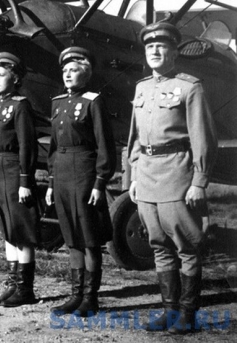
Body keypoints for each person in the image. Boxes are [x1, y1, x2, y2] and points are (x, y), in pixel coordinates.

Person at [127, 22, 217, 334]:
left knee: (187, 246)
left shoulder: (190, 87)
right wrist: (134, 175)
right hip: (148, 176)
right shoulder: (141, 88)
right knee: (158, 246)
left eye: (161, 46)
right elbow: (136, 139)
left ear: (175, 52)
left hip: (178, 174)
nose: (154, 50)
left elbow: (203, 138)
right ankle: (169, 309)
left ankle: (188, 314)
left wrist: (199, 181)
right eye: (149, 46)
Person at [45, 47, 116, 317]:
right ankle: (75, 295)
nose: (67, 75)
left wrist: (100, 182)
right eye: (64, 71)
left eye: (73, 70)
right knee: (71, 237)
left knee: (89, 237)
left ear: (86, 73)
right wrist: (51, 183)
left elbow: (104, 146)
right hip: (62, 173)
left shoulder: (93, 102)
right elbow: (53, 147)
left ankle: (90, 298)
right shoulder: (58, 102)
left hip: (85, 173)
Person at [0, 52, 39, 308]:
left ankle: (25, 289)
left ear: (14, 76)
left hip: (14, 171)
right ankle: (12, 284)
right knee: (8, 230)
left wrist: (25, 181)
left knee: (22, 232)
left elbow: (27, 147)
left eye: (2, 74)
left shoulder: (21, 106)